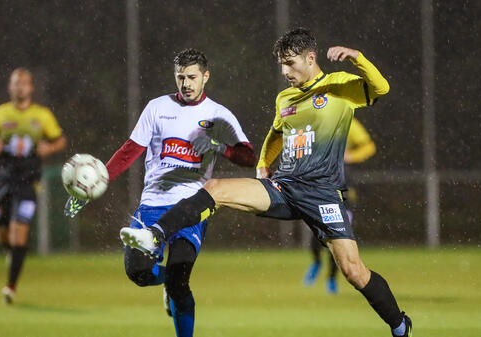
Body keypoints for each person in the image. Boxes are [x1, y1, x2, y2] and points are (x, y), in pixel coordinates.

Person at [118, 28, 412, 336]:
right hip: (285, 188)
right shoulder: (285, 98)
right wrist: (263, 164)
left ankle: (399, 324)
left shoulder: (339, 87)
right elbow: (276, 132)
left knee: (353, 272)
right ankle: (155, 234)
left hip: (323, 195)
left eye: (291, 63)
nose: (285, 72)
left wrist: (358, 58)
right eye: (281, 65)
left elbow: (382, 88)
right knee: (215, 188)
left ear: (310, 58)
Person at [64, 48, 256, 337]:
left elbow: (248, 157)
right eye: (180, 77)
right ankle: (165, 281)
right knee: (138, 272)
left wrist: (219, 146)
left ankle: (175, 295)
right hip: (153, 204)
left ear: (206, 76)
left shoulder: (218, 114)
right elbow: (129, 152)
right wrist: (91, 189)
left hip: (192, 207)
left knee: (181, 282)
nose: (186, 84)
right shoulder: (157, 107)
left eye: (192, 77)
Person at [0, 68, 67, 304]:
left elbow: (59, 140)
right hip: (4, 179)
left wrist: (49, 148)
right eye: (16, 83)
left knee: (19, 233)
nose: (20, 87)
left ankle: (10, 287)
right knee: (2, 230)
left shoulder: (42, 115)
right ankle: (10, 252)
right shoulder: (0, 113)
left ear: (31, 87)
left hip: (28, 182)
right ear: (10, 87)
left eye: (24, 83)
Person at [303, 117, 376, 294]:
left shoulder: (347, 122)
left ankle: (331, 279)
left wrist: (351, 156)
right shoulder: (313, 122)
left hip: (342, 191)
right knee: (317, 234)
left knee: (338, 238)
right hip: (320, 188)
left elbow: (369, 146)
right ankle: (316, 262)